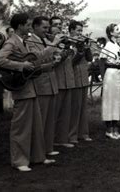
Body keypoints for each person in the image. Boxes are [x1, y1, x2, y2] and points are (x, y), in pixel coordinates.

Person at [0, 12, 55, 172]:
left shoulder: (24, 42)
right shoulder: (12, 42)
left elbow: (36, 58)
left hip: (31, 88)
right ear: (20, 26)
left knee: (35, 126)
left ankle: (37, 157)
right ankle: (19, 161)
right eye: (28, 25)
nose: (30, 27)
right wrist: (21, 66)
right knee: (21, 127)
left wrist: (51, 51)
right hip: (22, 90)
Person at [26, 16, 60, 157]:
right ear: (35, 27)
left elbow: (48, 57)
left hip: (51, 83)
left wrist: (56, 57)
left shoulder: (45, 40)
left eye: (47, 27)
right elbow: (36, 58)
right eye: (44, 27)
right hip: (41, 84)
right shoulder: (30, 41)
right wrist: (53, 45)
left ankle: (48, 147)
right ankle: (38, 151)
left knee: (50, 120)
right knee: (41, 120)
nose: (47, 30)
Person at [49, 16, 75, 149]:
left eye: (60, 24)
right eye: (55, 25)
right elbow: (54, 61)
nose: (58, 27)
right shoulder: (48, 42)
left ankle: (62, 138)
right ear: (50, 26)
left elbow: (72, 61)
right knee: (54, 113)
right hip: (56, 81)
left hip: (67, 80)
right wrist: (66, 51)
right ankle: (51, 140)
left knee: (65, 113)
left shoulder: (64, 41)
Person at [100, 23, 120, 140]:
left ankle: (116, 129)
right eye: (116, 29)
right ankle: (109, 130)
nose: (118, 31)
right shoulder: (108, 46)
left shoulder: (119, 45)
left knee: (118, 100)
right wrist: (102, 78)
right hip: (110, 73)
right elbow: (102, 62)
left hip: (119, 73)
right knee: (110, 100)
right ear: (111, 33)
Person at [69, 20, 93, 143]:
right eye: (78, 30)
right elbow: (71, 62)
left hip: (84, 78)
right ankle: (72, 135)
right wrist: (80, 50)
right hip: (74, 79)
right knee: (75, 108)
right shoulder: (68, 43)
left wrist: (87, 48)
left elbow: (90, 58)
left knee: (84, 108)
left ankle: (83, 133)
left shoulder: (81, 43)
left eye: (81, 31)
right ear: (71, 30)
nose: (80, 33)